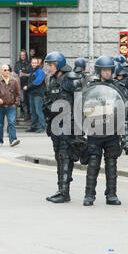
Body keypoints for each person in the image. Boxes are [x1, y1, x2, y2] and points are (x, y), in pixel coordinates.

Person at [83, 56, 128, 207]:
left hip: (112, 131)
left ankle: (111, 194)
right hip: (95, 130)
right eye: (104, 70)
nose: (107, 73)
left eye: (109, 70)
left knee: (111, 164)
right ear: (99, 71)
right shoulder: (90, 87)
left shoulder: (118, 86)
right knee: (93, 163)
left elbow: (124, 108)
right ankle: (89, 195)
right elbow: (83, 106)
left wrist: (125, 135)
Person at [43, 51, 81, 204]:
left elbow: (79, 102)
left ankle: (65, 192)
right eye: (48, 65)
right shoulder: (51, 79)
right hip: (55, 125)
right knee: (59, 157)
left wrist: (78, 129)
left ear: (59, 65)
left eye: (51, 65)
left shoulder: (70, 79)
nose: (49, 68)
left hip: (67, 124)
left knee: (65, 156)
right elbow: (47, 101)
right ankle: (61, 189)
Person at [0, 64, 21, 147]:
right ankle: (0, 140)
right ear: (1, 71)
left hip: (11, 105)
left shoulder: (14, 81)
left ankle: (13, 140)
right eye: (5, 70)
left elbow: (18, 94)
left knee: (11, 122)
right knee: (0, 125)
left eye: (8, 70)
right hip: (0, 106)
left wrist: (16, 104)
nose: (7, 71)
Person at [26, 57, 46, 133]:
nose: (34, 64)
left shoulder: (40, 72)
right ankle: (33, 126)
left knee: (38, 111)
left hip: (38, 94)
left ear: (38, 63)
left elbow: (37, 82)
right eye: (33, 62)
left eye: (35, 62)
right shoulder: (32, 71)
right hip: (32, 94)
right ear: (31, 63)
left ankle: (42, 126)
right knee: (32, 111)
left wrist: (27, 87)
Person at [15, 50, 32, 120]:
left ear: (26, 55)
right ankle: (25, 114)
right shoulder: (17, 64)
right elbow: (14, 73)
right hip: (20, 84)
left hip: (28, 84)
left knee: (28, 100)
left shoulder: (29, 63)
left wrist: (24, 74)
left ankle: (29, 114)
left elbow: (32, 74)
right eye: (21, 55)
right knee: (22, 99)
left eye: (24, 55)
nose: (23, 56)